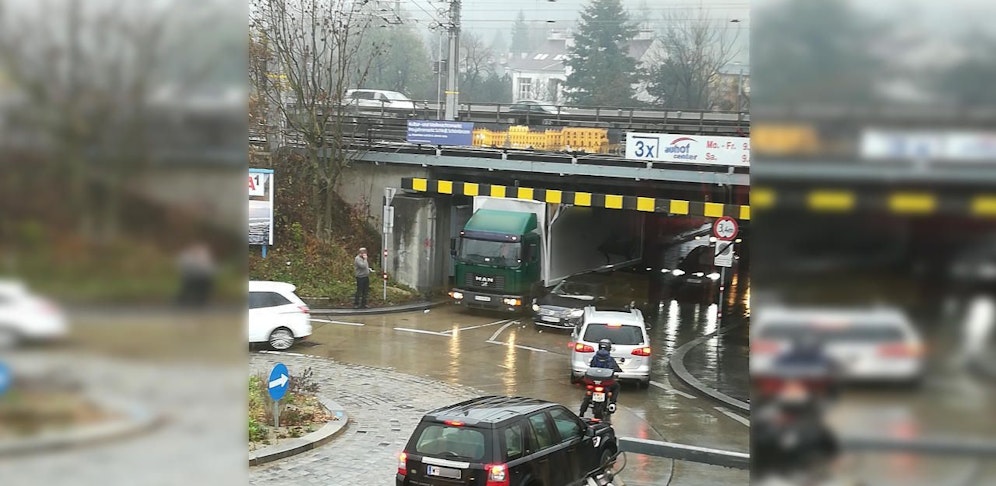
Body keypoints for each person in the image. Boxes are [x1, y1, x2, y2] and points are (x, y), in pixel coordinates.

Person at [579, 339, 623, 417]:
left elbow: (591, 366)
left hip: (594, 382)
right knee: (617, 386)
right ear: (609, 348)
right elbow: (616, 368)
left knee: (588, 394)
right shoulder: (610, 358)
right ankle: (612, 403)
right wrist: (619, 370)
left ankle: (581, 413)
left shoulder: (595, 357)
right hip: (606, 384)